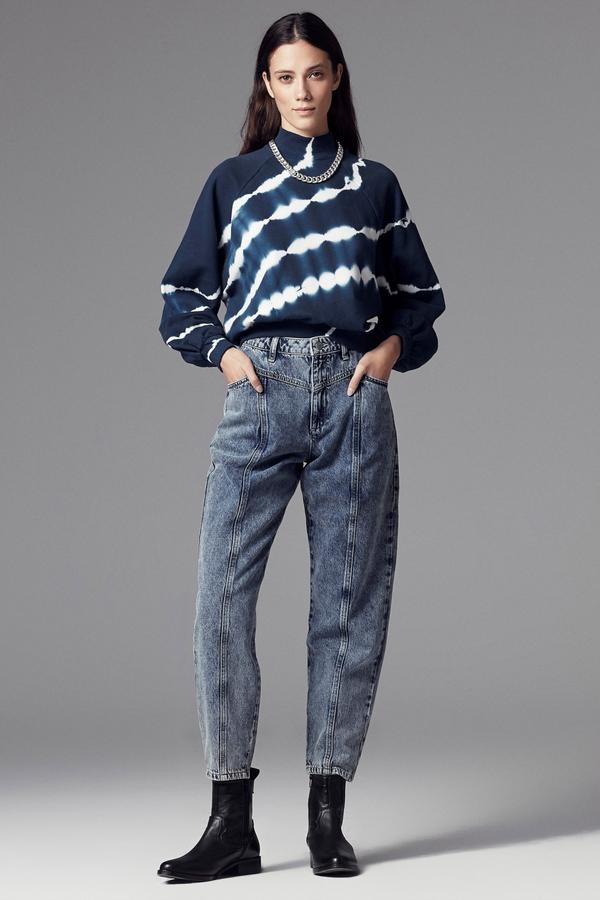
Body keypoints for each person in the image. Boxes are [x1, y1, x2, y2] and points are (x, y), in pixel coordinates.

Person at [156, 11, 445, 882]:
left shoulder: (375, 186)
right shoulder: (234, 182)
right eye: (286, 76)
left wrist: (388, 354)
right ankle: (231, 824)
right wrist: (226, 354)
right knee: (219, 599)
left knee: (346, 607)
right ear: (267, 86)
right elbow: (181, 299)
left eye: (315, 73)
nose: (302, 90)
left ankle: (327, 820)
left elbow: (421, 300)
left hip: (353, 398)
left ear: (337, 77)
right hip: (261, 392)